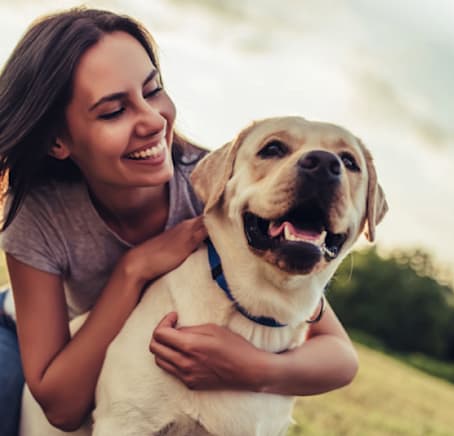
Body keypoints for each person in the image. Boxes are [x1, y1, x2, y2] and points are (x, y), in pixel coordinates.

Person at [0, 7, 359, 435]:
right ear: (58, 140)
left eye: (153, 91)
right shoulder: (37, 213)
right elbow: (61, 405)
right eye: (114, 111)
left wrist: (251, 368)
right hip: (26, 336)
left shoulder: (219, 188)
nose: (153, 121)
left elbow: (338, 353)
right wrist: (133, 271)